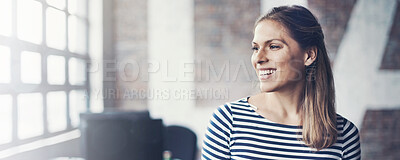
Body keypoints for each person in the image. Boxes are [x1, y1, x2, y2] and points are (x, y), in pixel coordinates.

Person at [201, 5, 361, 160]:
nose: (259, 58)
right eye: (255, 48)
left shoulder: (345, 135)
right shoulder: (228, 121)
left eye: (274, 46)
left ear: (309, 55)